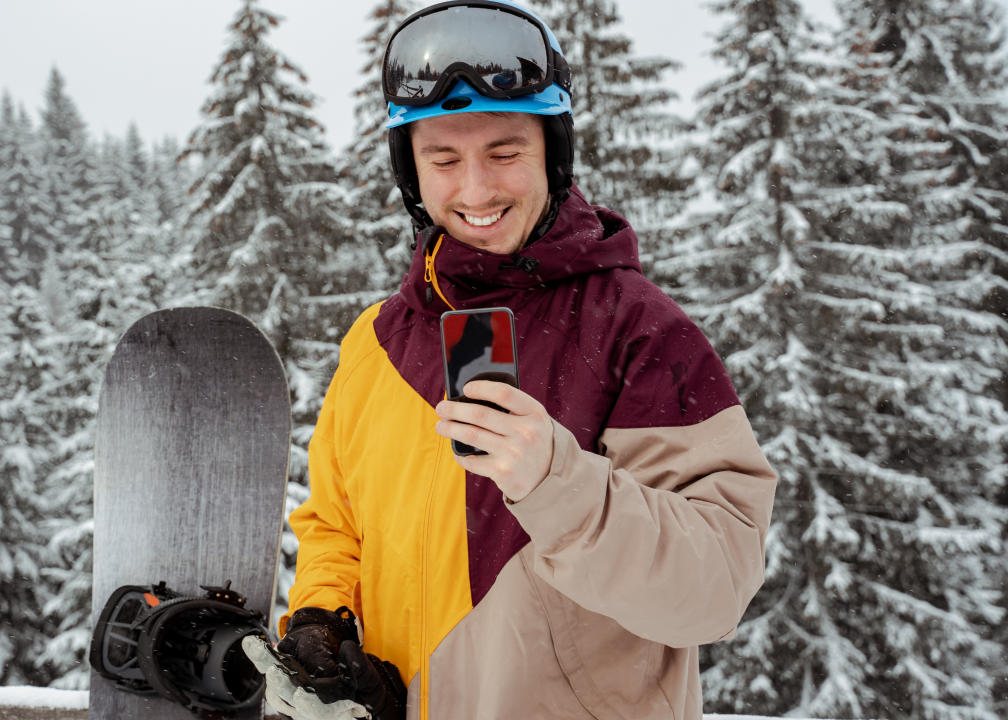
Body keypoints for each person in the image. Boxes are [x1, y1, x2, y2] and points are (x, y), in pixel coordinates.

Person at [244, 2, 778, 718]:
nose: (476, 191)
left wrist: (558, 484)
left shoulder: (643, 333)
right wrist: (323, 618)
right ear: (412, 173)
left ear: (551, 156)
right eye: (443, 160)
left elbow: (713, 590)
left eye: (504, 153)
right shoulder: (375, 341)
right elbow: (335, 524)